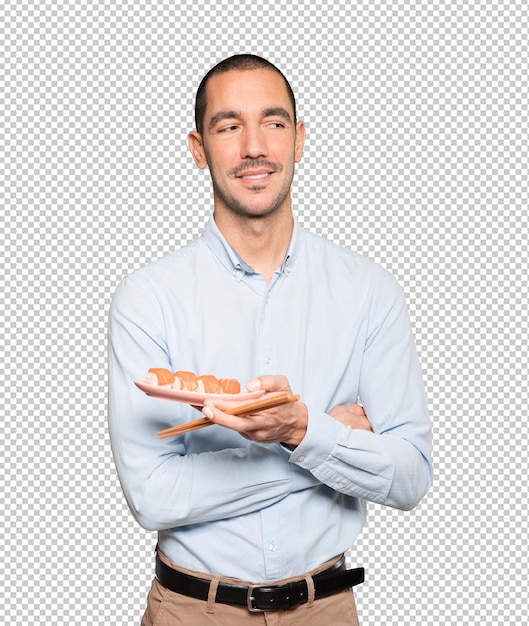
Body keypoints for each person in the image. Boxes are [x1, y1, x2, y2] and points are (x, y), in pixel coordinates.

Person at [108, 54, 432, 626]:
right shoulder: (148, 297)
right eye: (229, 126)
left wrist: (303, 430)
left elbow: (408, 477)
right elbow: (152, 496)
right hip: (194, 611)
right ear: (198, 149)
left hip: (325, 609)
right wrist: (316, 439)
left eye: (274, 123)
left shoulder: (369, 291)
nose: (254, 146)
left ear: (299, 140)